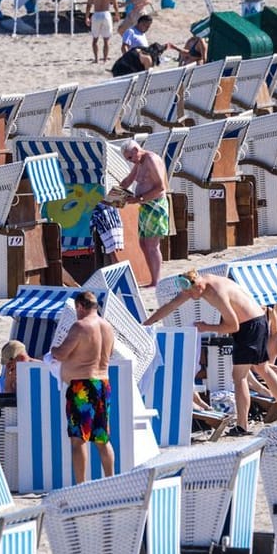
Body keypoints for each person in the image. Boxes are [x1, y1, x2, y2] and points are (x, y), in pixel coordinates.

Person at [146, 271, 277, 426]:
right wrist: (146, 324)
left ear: (199, 286)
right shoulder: (196, 285)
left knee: (239, 377)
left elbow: (233, 326)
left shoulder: (216, 293)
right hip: (255, 321)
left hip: (249, 325)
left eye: (190, 292)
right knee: (263, 370)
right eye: (185, 292)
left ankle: (243, 425)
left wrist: (205, 327)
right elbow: (171, 305)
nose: (188, 296)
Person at [49, 290, 116, 483]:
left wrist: (53, 349)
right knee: (102, 439)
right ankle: (111, 482)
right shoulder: (108, 327)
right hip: (103, 384)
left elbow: (61, 354)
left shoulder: (81, 326)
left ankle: (81, 486)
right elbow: (109, 354)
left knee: (79, 440)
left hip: (82, 387)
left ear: (80, 306)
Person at [114, 138, 170, 287]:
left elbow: (161, 187)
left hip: (156, 205)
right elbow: (127, 181)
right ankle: (153, 279)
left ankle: (156, 281)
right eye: (128, 159)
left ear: (136, 150)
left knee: (152, 245)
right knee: (143, 243)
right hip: (145, 206)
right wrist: (112, 198)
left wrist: (139, 198)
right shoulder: (139, 162)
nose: (130, 161)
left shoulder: (151, 159)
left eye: (130, 157)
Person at [87, 0, 119, 64]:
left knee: (95, 39)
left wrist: (87, 17)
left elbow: (89, 5)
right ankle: (104, 59)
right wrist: (117, 14)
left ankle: (96, 59)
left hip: (96, 14)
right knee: (106, 40)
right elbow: (115, 4)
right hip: (106, 14)